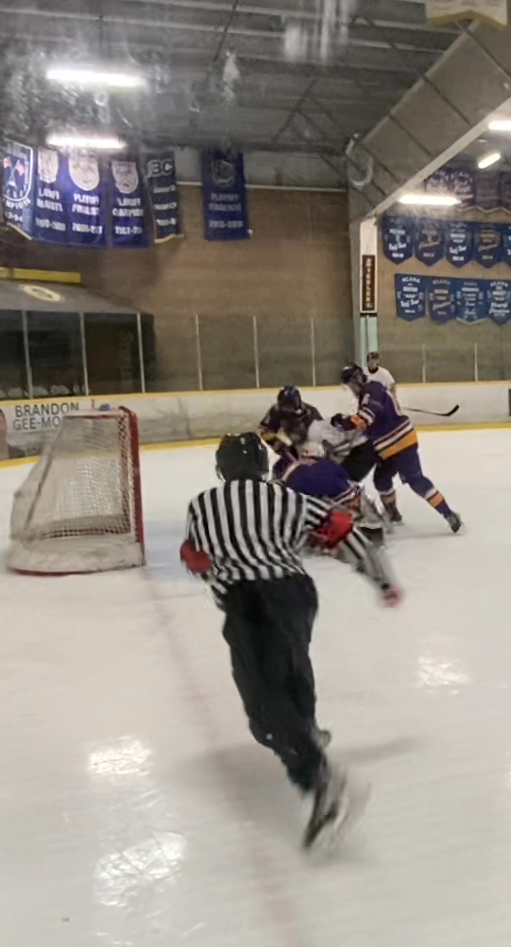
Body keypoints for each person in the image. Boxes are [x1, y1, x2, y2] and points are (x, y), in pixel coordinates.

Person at [179, 432, 399, 851]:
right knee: (290, 666)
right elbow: (343, 532)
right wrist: (381, 580)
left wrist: (215, 576)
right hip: (296, 594)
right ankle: (308, 729)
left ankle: (321, 780)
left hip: (249, 602)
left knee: (263, 704)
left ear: (221, 470)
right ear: (263, 468)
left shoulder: (202, 504)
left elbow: (197, 558)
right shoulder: (288, 499)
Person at [336, 363, 462, 533]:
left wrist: (343, 422)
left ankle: (448, 514)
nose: (350, 388)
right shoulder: (370, 393)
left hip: (400, 443)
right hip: (390, 448)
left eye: (351, 384)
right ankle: (393, 514)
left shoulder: (371, 390)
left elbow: (365, 418)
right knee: (381, 479)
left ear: (358, 378)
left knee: (415, 479)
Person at [259, 385, 322, 466]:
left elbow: (320, 436)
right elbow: (263, 432)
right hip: (284, 444)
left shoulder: (310, 412)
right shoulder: (275, 410)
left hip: (306, 445)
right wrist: (276, 437)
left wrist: (295, 439)